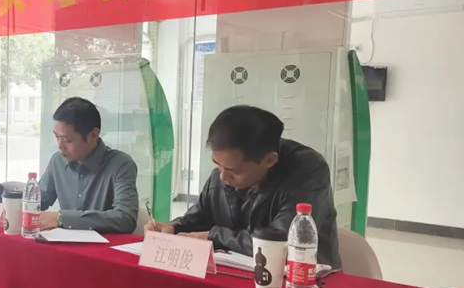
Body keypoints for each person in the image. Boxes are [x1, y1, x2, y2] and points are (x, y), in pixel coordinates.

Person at [146, 105, 341, 268]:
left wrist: (215, 236)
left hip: (301, 280)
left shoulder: (307, 170)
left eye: (233, 171)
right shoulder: (222, 174)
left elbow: (283, 243)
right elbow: (200, 218)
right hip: (236, 273)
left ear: (269, 160)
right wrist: (173, 228)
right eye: (217, 164)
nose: (222, 177)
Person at [38, 97, 139, 233]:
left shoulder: (121, 165)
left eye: (67, 140)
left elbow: (126, 218)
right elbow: (36, 201)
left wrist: (62, 218)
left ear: (93, 135)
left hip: (104, 245)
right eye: (57, 137)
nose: (60, 146)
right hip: (65, 243)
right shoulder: (58, 161)